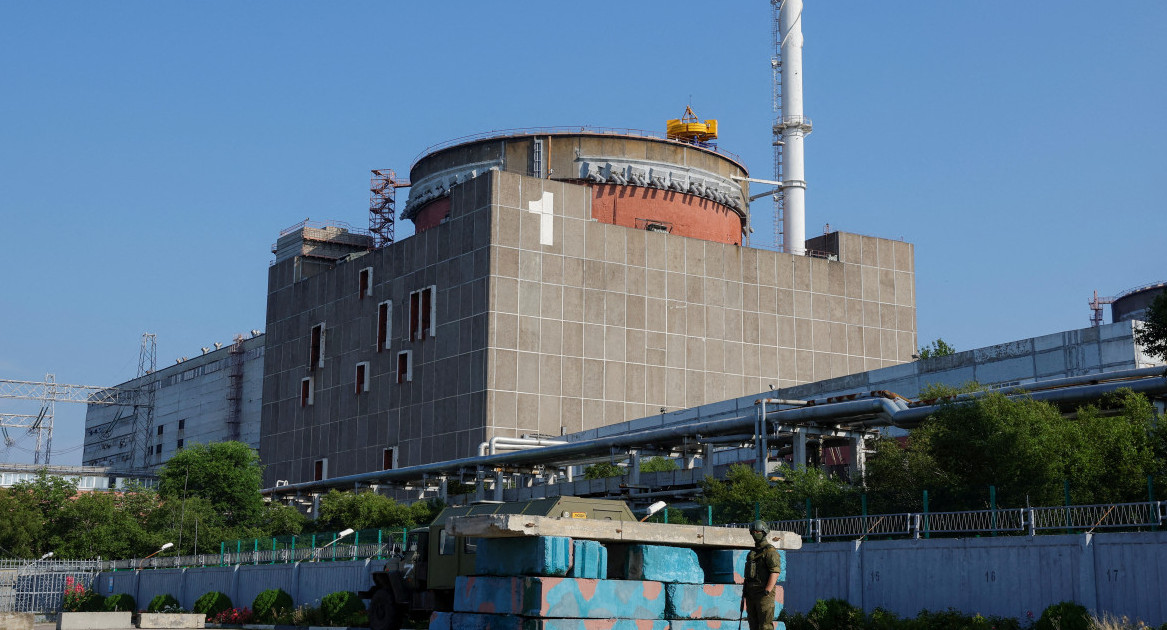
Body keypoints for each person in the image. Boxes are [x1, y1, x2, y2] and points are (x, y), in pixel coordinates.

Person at [741, 519, 782, 630]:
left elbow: (775, 572)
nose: (754, 534)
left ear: (764, 532)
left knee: (765, 626)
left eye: (757, 532)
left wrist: (767, 590)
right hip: (751, 593)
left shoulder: (770, 552)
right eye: (752, 532)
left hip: (763, 594)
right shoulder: (753, 553)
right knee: (753, 625)